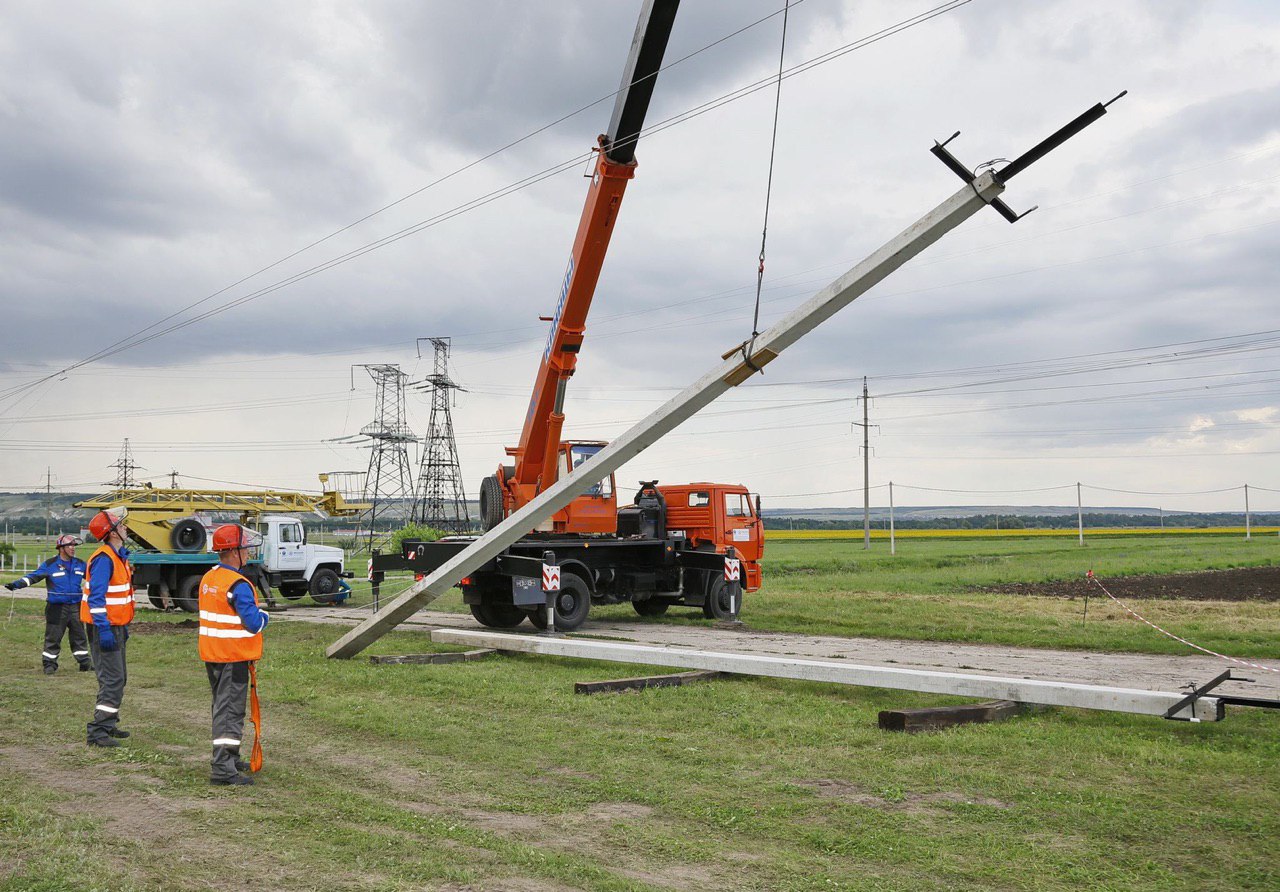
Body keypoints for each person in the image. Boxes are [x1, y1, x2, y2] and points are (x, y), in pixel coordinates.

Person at [198, 523, 269, 787]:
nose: (248, 553)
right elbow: (253, 622)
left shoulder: (210, 578)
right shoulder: (238, 583)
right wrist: (265, 618)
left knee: (222, 708)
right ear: (233, 551)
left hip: (214, 655)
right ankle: (223, 769)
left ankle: (230, 757)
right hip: (233, 657)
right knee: (229, 712)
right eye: (245, 549)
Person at [81, 507, 135, 748]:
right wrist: (103, 628)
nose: (125, 528)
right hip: (106, 627)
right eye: (121, 526)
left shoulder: (117, 556)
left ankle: (108, 723)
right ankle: (98, 730)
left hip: (116, 626)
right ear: (112, 533)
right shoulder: (104, 559)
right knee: (112, 679)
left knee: (118, 677)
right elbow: (96, 598)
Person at [4, 534, 91, 674]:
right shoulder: (50, 565)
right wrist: (16, 584)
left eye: (74, 546)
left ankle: (84, 662)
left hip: (76, 607)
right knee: (53, 636)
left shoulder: (80, 564)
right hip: (56, 608)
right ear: (61, 548)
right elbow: (33, 577)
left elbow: (95, 577)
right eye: (70, 546)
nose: (73, 548)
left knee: (79, 635)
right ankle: (49, 664)